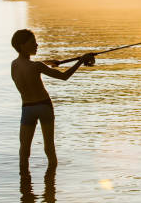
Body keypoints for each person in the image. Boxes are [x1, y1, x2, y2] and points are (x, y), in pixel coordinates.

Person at [10, 29, 95, 171]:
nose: (37, 45)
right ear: (22, 45)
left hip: (27, 109)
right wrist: (81, 60)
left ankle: (25, 185)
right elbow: (64, 76)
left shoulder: (14, 65)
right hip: (44, 106)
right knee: (49, 148)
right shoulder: (37, 66)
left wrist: (49, 62)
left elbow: (29, 66)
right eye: (33, 42)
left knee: (24, 151)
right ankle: (51, 185)